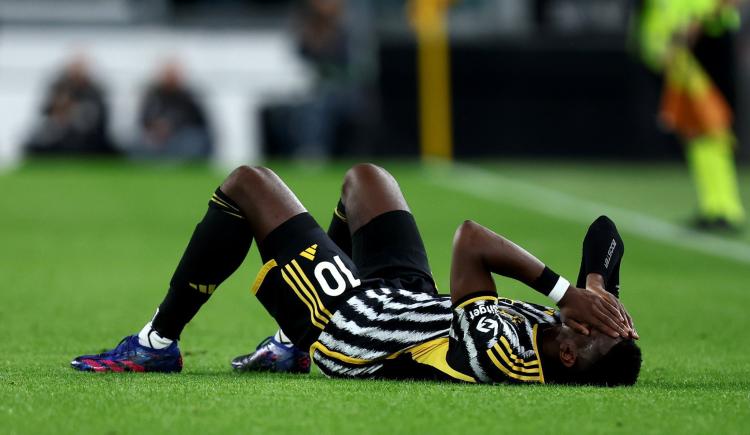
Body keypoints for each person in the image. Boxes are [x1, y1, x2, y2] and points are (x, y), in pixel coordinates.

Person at [71, 164, 640, 386]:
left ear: (567, 355)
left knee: (248, 183)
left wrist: (567, 290)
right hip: (410, 305)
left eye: (591, 329)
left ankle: (157, 343)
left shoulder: (501, 354)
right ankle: (281, 346)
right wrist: (596, 289)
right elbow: (606, 231)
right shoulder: (578, 331)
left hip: (351, 324)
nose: (591, 320)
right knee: (367, 179)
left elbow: (470, 240)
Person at [634, 0, 745, 230]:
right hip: (685, 57)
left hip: (705, 50)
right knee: (697, 133)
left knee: (713, 131)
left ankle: (726, 207)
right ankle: (714, 205)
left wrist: (693, 27)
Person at [25, 56, 116, 156]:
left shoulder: (95, 90)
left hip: (88, 138)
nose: (76, 73)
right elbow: (44, 111)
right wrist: (58, 110)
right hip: (58, 134)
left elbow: (99, 118)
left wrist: (74, 111)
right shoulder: (59, 87)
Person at [133, 61, 213, 160]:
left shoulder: (187, 96)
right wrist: (156, 127)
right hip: (158, 139)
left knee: (191, 140)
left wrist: (171, 126)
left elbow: (196, 120)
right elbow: (144, 119)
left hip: (182, 136)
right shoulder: (153, 95)